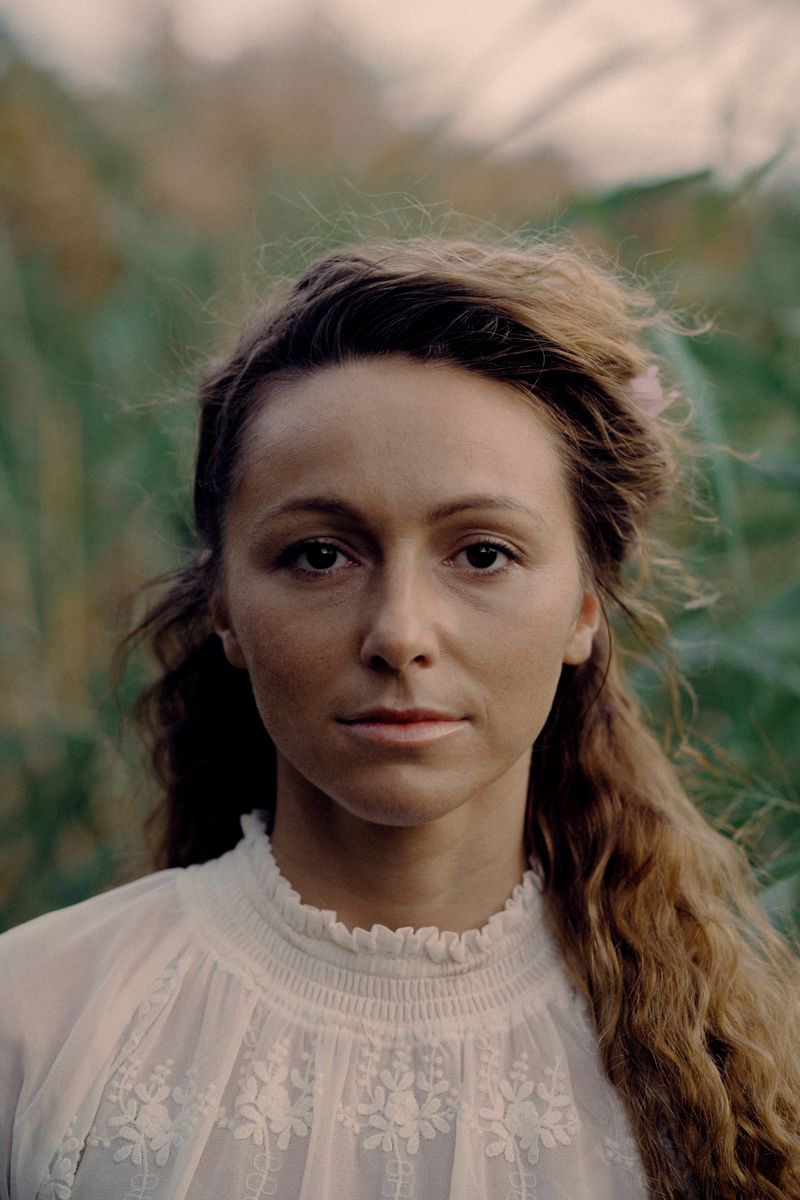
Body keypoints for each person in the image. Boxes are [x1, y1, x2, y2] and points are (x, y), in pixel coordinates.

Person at [1, 237, 797, 1200]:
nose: (400, 634)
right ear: (225, 608)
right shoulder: (34, 1022)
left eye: (484, 553)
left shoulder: (745, 1075)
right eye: (319, 556)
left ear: (586, 607)